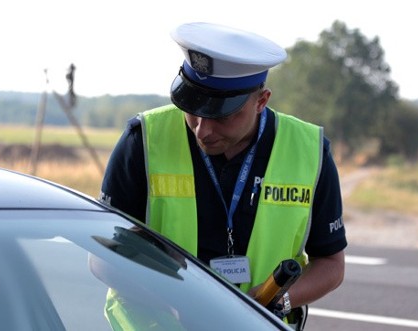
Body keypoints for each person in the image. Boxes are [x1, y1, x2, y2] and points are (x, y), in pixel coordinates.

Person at [99, 22, 346, 328]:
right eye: (192, 109)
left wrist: (278, 300)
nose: (202, 129)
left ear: (262, 100)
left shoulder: (309, 150)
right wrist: (170, 300)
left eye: (222, 116)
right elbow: (101, 257)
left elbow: (331, 264)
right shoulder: (143, 141)